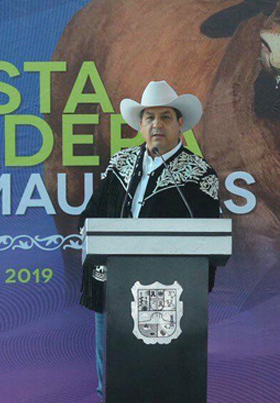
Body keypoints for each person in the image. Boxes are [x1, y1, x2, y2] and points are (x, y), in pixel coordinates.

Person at [77, 80, 221, 399]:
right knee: (112, 385)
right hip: (112, 289)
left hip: (171, 297)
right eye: (149, 117)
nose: (157, 124)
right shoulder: (121, 164)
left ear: (180, 123)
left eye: (165, 117)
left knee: (168, 386)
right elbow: (89, 217)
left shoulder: (199, 174)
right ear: (140, 125)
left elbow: (209, 239)